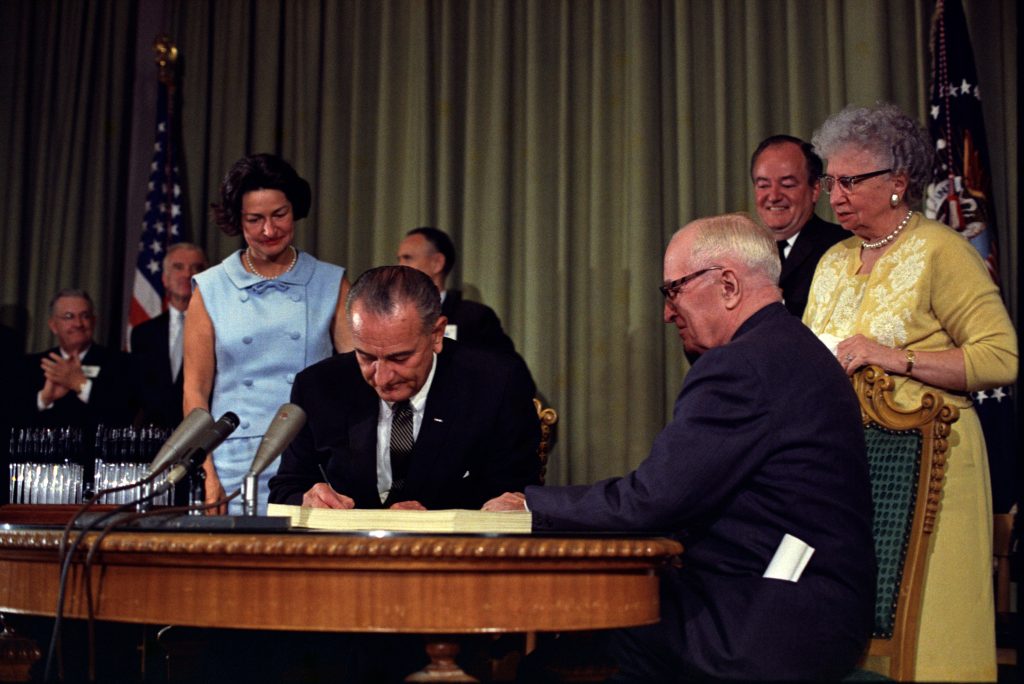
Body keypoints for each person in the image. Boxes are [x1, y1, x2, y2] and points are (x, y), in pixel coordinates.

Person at [485, 214, 875, 681]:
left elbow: (652, 500)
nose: (668, 313)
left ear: (728, 285)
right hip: (808, 611)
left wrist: (531, 506)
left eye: (674, 290)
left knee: (566, 649)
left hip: (765, 620)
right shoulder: (793, 348)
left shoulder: (742, 366)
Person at [803, 102, 1018, 681]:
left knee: (933, 631)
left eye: (851, 181)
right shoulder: (831, 261)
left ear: (898, 182)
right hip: (851, 471)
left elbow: (1001, 357)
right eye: (830, 181)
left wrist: (896, 358)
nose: (835, 196)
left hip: (935, 469)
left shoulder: (943, 251)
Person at [269, 265, 540, 511]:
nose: (383, 377)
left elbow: (515, 494)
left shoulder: (496, 385)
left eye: (399, 358)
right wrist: (307, 499)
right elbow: (286, 489)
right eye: (367, 357)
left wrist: (433, 519)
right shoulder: (318, 386)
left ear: (437, 334)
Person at [184, 153, 352, 515]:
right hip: (232, 462)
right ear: (237, 219)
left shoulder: (330, 282)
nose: (269, 230)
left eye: (279, 215)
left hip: (312, 461)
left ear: (295, 210)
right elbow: (195, 391)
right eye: (254, 219)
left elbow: (358, 375)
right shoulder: (211, 288)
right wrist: (207, 473)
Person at [750, 134, 847, 318]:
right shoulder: (743, 254)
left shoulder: (842, 248)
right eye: (763, 185)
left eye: (787, 185)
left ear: (815, 189)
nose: (774, 196)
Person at [17, 289, 135, 434]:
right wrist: (44, 400)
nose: (78, 324)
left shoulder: (121, 363)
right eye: (69, 317)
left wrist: (82, 386)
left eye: (85, 316)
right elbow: (12, 421)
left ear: (94, 321)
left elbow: (125, 416)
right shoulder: (32, 365)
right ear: (53, 325)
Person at [397, 227, 518, 354]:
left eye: (407, 258)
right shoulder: (392, 314)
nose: (399, 266)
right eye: (399, 259)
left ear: (437, 263)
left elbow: (504, 363)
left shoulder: (473, 318)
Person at [131, 243, 208, 428]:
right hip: (155, 436)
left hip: (202, 433)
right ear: (165, 278)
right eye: (178, 267)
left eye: (196, 268)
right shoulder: (143, 334)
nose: (187, 274)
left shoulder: (218, 328)